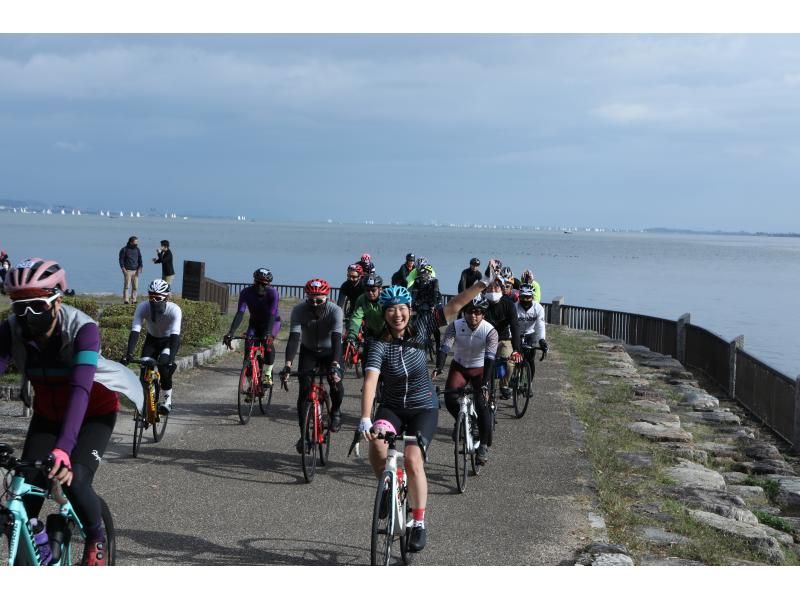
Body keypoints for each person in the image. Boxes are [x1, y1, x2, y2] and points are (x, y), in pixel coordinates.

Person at [0, 258, 142, 566]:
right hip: (48, 416)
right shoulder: (10, 330)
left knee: (75, 481)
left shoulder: (83, 329)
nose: (26, 315)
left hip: (93, 413)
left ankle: (96, 537)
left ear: (56, 301)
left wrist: (64, 449)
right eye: (18, 306)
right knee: (25, 495)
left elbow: (81, 390)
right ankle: (41, 549)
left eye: (35, 305)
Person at [358, 259, 502, 553]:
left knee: (412, 460)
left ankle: (419, 521)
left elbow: (455, 306)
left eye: (402, 309)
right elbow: (371, 381)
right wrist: (364, 418)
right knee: (378, 445)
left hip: (424, 407)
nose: (397, 315)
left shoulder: (422, 326)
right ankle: (387, 489)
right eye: (391, 310)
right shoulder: (378, 344)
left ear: (409, 310)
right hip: (393, 408)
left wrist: (482, 284)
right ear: (384, 315)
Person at [280, 279, 345, 454]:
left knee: (336, 383)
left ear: (327, 297)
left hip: (331, 352)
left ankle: (336, 411)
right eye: (311, 299)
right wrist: (287, 365)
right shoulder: (299, 310)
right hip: (308, 351)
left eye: (319, 300)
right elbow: (294, 339)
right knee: (304, 392)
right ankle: (304, 436)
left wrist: (335, 364)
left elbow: (337, 339)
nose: (314, 304)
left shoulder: (335, 311)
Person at [434, 295, 498, 465]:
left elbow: (490, 359)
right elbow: (445, 347)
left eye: (478, 312)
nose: (473, 316)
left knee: (482, 404)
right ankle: (462, 420)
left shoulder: (490, 331)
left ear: (483, 314)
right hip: (460, 366)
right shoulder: (455, 326)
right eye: (470, 312)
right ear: (464, 312)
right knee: (449, 397)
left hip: (480, 369)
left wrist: (485, 383)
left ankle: (483, 446)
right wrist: (439, 367)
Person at [122, 279, 182, 414]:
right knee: (144, 369)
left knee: (163, 366)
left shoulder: (174, 310)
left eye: (158, 297)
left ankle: (167, 402)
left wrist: (171, 360)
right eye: (151, 296)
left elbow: (175, 338)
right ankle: (144, 400)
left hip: (168, 341)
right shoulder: (143, 307)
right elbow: (135, 331)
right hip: (152, 340)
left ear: (166, 297)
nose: (154, 301)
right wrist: (129, 354)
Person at [224, 268, 280, 386]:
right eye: (258, 283)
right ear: (254, 281)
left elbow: (272, 313)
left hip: (271, 322)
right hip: (254, 324)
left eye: (264, 284)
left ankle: (268, 374)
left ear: (268, 284)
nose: (260, 286)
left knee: (268, 345)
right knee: (248, 355)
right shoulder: (246, 292)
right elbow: (240, 313)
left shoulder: (273, 293)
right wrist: (231, 332)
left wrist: (269, 333)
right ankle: (251, 387)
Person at [483, 275, 522, 399]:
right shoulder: (481, 304)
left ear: (501, 289)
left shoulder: (509, 305)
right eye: (490, 288)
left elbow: (515, 327)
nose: (493, 291)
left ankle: (503, 385)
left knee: (510, 363)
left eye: (496, 288)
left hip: (504, 339)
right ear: (485, 290)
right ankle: (484, 385)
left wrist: (516, 349)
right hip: (485, 339)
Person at [345, 273, 385, 367]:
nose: (370, 293)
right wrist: (352, 334)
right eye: (367, 290)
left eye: (373, 290)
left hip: (387, 332)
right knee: (367, 362)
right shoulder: (362, 299)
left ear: (380, 289)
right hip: (371, 331)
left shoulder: (385, 299)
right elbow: (356, 317)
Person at [515, 284, 549, 368]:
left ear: (532, 297)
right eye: (523, 297)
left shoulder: (538, 308)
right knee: (514, 358)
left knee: (530, 360)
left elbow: (540, 325)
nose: (525, 300)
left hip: (531, 334)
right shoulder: (514, 307)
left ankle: (530, 380)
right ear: (519, 297)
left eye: (528, 297)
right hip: (517, 333)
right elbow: (510, 324)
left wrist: (541, 340)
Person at [411, 264, 442, 354]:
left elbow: (434, 294)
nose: (423, 276)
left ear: (429, 274)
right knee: (415, 322)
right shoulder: (417, 281)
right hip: (421, 303)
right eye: (421, 274)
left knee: (435, 325)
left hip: (434, 302)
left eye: (425, 274)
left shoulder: (434, 281)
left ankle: (438, 345)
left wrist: (433, 305)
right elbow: (414, 294)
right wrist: (413, 304)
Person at [119, 236, 143, 304]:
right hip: (128, 271)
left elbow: (140, 259)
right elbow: (121, 260)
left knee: (135, 286)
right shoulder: (124, 249)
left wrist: (140, 267)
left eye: (137, 242)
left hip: (136, 271)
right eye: (135, 242)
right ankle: (126, 300)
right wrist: (123, 269)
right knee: (127, 286)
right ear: (131, 242)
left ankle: (134, 300)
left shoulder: (137, 249)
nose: (137, 243)